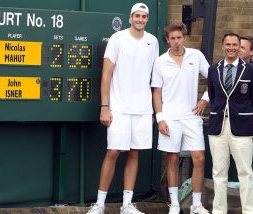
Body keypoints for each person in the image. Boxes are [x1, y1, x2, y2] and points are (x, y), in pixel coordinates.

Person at [86, 2, 159, 214]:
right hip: (118, 107)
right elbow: (107, 73)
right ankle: (99, 204)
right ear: (130, 17)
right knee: (113, 152)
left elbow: (155, 78)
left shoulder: (152, 42)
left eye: (144, 17)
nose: (140, 19)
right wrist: (104, 106)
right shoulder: (117, 38)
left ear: (147, 19)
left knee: (134, 153)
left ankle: (127, 205)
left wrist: (153, 111)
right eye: (137, 16)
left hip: (143, 109)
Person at [151, 21, 210, 214]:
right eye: (172, 38)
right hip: (169, 117)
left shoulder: (196, 55)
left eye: (179, 37)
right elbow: (156, 93)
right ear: (168, 40)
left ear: (184, 38)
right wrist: (160, 118)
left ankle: (196, 204)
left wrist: (204, 100)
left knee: (199, 159)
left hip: (191, 117)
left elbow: (214, 79)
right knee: (172, 159)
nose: (176, 41)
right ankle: (174, 203)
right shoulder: (160, 61)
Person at [207, 32, 253, 214]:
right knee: (218, 173)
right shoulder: (213, 69)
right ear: (222, 46)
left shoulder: (251, 70)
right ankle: (218, 211)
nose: (231, 47)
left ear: (239, 47)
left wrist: (244, 116)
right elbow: (214, 96)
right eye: (227, 44)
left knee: (245, 173)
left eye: (234, 45)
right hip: (218, 127)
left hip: (242, 127)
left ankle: (249, 211)